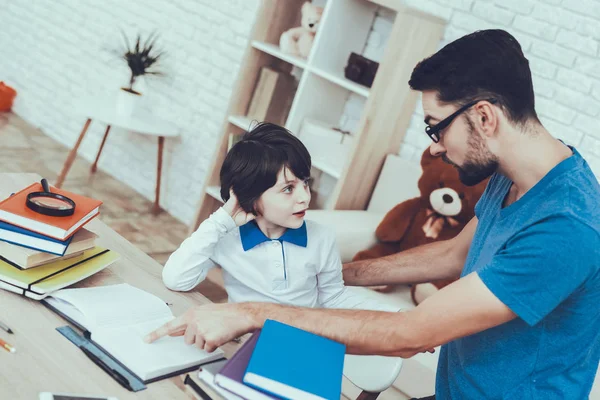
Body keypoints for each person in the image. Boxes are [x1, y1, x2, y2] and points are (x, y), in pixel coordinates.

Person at [146, 30, 600, 399]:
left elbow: (413, 333)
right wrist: (335, 272)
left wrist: (253, 312)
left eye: (435, 126)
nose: (434, 146)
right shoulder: (514, 175)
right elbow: (457, 253)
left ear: (484, 117)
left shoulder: (567, 227)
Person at [161, 122, 390, 311]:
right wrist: (221, 220)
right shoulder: (226, 237)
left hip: (300, 344)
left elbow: (334, 297)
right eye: (288, 188)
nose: (304, 197)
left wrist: (399, 317)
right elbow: (176, 279)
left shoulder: (322, 238)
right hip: (243, 342)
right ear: (249, 194)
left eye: (305, 183)